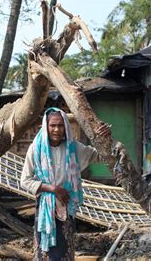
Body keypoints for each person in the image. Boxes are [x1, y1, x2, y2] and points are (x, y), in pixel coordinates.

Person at [20, 107, 111, 260]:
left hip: (66, 207)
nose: (56, 129)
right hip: (45, 209)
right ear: (46, 126)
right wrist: (53, 189)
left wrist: (105, 138)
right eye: (52, 125)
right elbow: (25, 180)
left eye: (61, 125)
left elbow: (100, 156)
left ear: (66, 127)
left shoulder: (73, 148)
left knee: (64, 252)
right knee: (45, 253)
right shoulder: (36, 149)